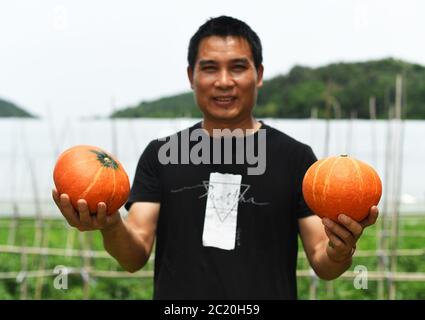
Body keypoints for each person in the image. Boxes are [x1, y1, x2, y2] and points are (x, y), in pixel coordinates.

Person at [52, 15, 379, 299]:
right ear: (191, 76)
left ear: (259, 74)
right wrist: (110, 225)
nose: (224, 82)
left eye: (238, 67)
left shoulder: (295, 158)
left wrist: (341, 249)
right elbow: (134, 254)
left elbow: (323, 260)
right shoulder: (162, 154)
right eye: (209, 68)